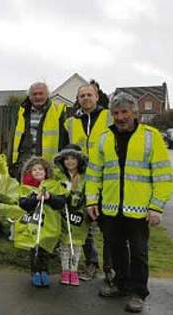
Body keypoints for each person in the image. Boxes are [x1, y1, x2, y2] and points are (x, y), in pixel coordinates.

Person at [86, 92, 173, 313]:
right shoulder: (104, 138)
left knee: (139, 253)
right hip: (110, 207)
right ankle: (121, 284)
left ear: (135, 113)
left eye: (124, 112)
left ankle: (138, 292)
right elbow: (94, 173)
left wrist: (156, 206)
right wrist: (91, 201)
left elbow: (163, 176)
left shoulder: (151, 137)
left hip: (139, 210)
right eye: (115, 113)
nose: (120, 117)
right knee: (116, 249)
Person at [64, 84, 113, 282]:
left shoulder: (109, 116)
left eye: (89, 95)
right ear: (78, 99)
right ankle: (91, 263)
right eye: (82, 95)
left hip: (107, 178)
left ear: (97, 96)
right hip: (82, 179)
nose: (85, 98)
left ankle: (110, 268)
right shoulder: (72, 122)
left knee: (108, 226)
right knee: (83, 222)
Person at [15, 157, 66, 288]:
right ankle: (36, 272)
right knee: (35, 248)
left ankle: (44, 270)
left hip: (49, 224)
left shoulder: (53, 185)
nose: (38, 172)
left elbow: (60, 202)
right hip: (33, 223)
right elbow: (23, 203)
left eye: (40, 169)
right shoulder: (26, 187)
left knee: (45, 249)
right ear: (29, 172)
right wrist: (35, 199)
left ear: (46, 171)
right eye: (34, 170)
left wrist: (50, 197)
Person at [12, 82, 70, 178]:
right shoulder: (22, 112)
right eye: (34, 94)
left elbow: (64, 141)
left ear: (47, 95)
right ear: (29, 96)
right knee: (25, 190)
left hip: (48, 166)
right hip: (25, 164)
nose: (37, 97)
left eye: (41, 93)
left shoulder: (58, 111)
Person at [54, 144, 91, 286]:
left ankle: (74, 270)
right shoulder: (59, 175)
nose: (70, 162)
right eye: (66, 159)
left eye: (73, 158)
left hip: (80, 216)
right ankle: (65, 270)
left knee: (76, 244)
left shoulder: (85, 176)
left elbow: (90, 191)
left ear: (79, 160)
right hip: (64, 213)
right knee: (64, 243)